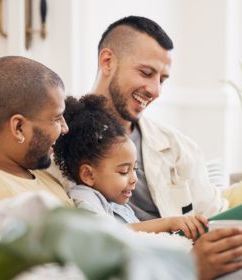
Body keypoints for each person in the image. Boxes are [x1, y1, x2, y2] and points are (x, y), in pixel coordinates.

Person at [87, 15, 242, 279]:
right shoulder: (61, 144)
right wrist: (189, 268)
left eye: (162, 79)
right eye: (146, 73)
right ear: (107, 61)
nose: (155, 90)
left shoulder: (179, 147)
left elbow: (213, 216)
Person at [54, 94, 208, 239]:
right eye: (123, 171)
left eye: (134, 169)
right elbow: (105, 236)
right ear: (88, 175)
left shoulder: (117, 204)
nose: (134, 179)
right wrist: (167, 224)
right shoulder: (85, 197)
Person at [0, 56, 73, 211]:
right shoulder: (5, 206)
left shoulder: (28, 167)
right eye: (56, 118)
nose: (65, 128)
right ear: (19, 127)